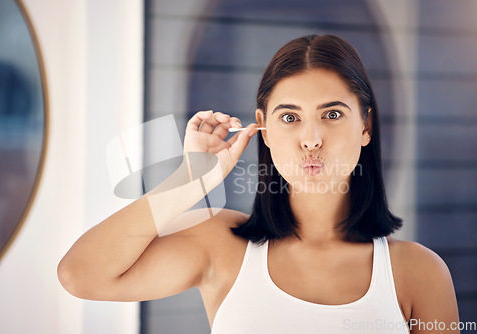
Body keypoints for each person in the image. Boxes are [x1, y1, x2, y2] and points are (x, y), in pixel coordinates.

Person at [58, 34, 460, 333]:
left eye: (332, 114)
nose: (311, 138)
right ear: (264, 130)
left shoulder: (419, 272)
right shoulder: (221, 245)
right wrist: (189, 179)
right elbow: (81, 275)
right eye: (290, 117)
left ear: (366, 126)